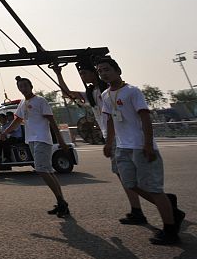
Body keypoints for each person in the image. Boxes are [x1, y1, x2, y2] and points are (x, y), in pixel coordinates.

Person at [97, 57, 186, 245]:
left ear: (117, 70)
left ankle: (170, 230)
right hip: (122, 147)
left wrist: (148, 144)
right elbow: (111, 120)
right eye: (100, 71)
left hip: (140, 146)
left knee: (153, 187)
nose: (103, 73)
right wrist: (108, 142)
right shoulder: (105, 95)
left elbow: (145, 118)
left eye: (106, 69)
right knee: (130, 183)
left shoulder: (132, 91)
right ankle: (171, 208)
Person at [52, 62, 146, 225]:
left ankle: (157, 203)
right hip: (113, 137)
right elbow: (67, 93)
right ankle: (140, 208)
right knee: (125, 175)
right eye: (80, 74)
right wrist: (58, 74)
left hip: (119, 137)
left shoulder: (108, 92)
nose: (82, 76)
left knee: (129, 176)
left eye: (85, 72)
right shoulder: (93, 93)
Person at [0, 76, 70, 217]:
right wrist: (5, 132)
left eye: (25, 85)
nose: (23, 88)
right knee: (47, 170)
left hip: (42, 139)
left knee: (41, 170)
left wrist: (61, 140)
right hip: (31, 140)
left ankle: (61, 201)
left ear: (31, 86)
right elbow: (17, 121)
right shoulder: (22, 103)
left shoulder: (40, 101)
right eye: (20, 86)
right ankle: (61, 202)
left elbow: (52, 121)